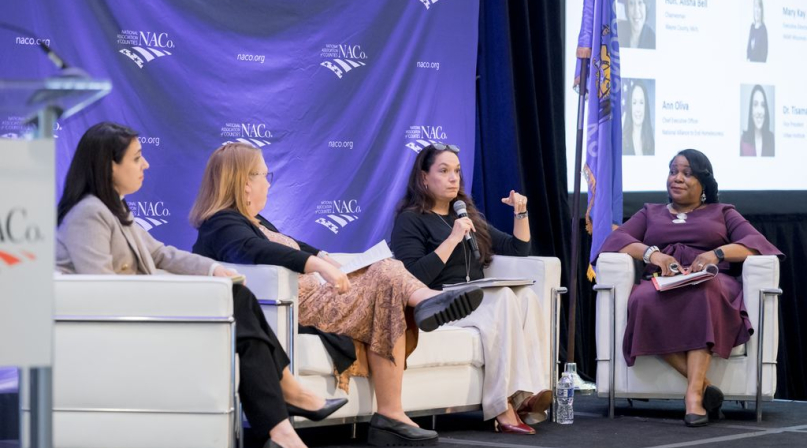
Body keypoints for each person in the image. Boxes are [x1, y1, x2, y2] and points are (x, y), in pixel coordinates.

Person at [55, 122, 348, 448]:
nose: (146, 164)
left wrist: (212, 270)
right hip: (121, 323)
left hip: (141, 310)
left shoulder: (113, 209)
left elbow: (161, 254)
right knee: (237, 298)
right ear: (110, 165)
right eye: (137, 158)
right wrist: (177, 293)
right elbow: (100, 292)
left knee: (237, 294)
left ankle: (281, 430)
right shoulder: (88, 214)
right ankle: (287, 402)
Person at [189, 142, 484, 446]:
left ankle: (394, 405)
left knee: (387, 278)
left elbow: (292, 243)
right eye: (264, 175)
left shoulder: (254, 221)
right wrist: (318, 265)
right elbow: (255, 249)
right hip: (299, 306)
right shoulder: (221, 222)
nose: (268, 182)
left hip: (316, 296)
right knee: (387, 274)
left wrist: (323, 256)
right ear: (244, 183)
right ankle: (421, 312)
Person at [595, 149, 783, 427]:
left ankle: (694, 396)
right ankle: (706, 388)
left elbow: (755, 244)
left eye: (687, 173)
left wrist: (715, 255)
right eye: (673, 171)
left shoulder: (722, 212)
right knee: (642, 300)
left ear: (703, 183)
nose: (677, 178)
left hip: (710, 281)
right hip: (664, 281)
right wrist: (654, 256)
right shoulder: (651, 212)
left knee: (702, 293)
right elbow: (617, 239)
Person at [390, 144, 553, 435]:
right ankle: (501, 406)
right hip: (441, 302)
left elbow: (519, 248)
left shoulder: (466, 215)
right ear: (424, 178)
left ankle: (530, 394)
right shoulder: (410, 219)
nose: (454, 178)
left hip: (477, 298)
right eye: (444, 171)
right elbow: (411, 276)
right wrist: (452, 239)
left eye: (457, 171)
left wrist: (521, 212)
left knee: (527, 297)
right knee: (504, 297)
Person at [740, 85, 775, 157]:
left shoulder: (772, 140)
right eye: (755, 105)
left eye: (762, 105)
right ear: (751, 110)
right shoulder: (743, 141)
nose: (759, 111)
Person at [622, 80, 655, 156]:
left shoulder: (651, 143)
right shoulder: (622, 143)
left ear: (645, 107)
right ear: (630, 106)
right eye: (634, 103)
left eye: (641, 103)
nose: (638, 109)